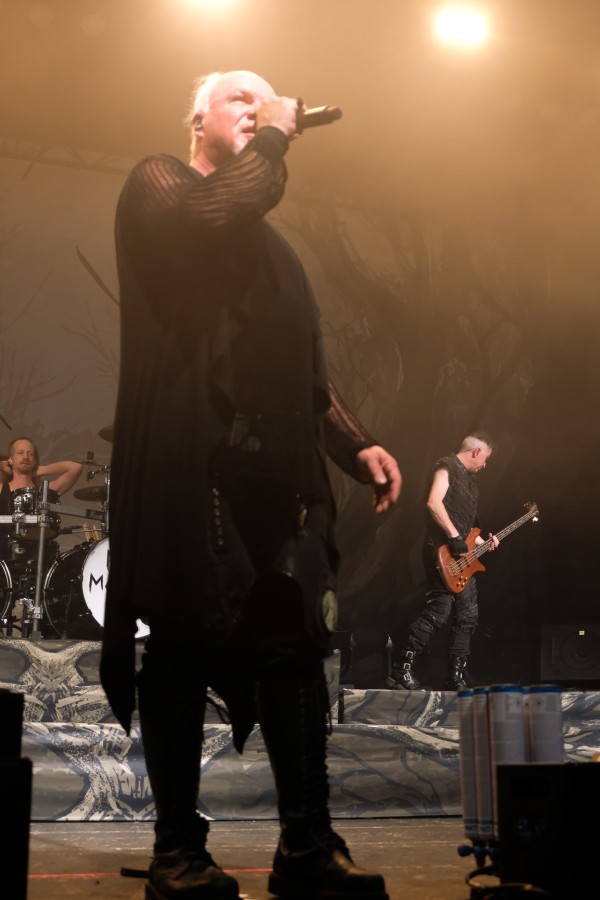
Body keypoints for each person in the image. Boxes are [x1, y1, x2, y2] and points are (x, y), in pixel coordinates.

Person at [100, 70, 401, 900]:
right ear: (197, 119)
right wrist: (273, 131)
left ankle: (306, 847)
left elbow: (305, 370)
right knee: (184, 643)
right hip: (196, 465)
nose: (258, 110)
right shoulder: (159, 184)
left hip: (281, 480)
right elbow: (213, 211)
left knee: (294, 650)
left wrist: (357, 444)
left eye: (265, 101)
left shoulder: (273, 250)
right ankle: (178, 854)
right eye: (240, 98)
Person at [387, 432, 498, 692]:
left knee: (468, 615)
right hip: (441, 551)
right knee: (439, 610)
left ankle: (455, 677)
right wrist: (454, 536)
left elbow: (467, 529)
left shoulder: (471, 485)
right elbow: (433, 503)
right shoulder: (446, 466)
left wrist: (482, 542)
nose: (485, 465)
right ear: (476, 452)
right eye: (485, 459)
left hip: (461, 555)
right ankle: (401, 670)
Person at [0, 436, 83, 548]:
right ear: (11, 459)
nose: (25, 457)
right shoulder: (1, 489)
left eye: (30, 454)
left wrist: (44, 469)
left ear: (35, 461)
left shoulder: (44, 492)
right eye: (20, 453)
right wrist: (3, 467)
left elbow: (76, 467)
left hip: (39, 553)